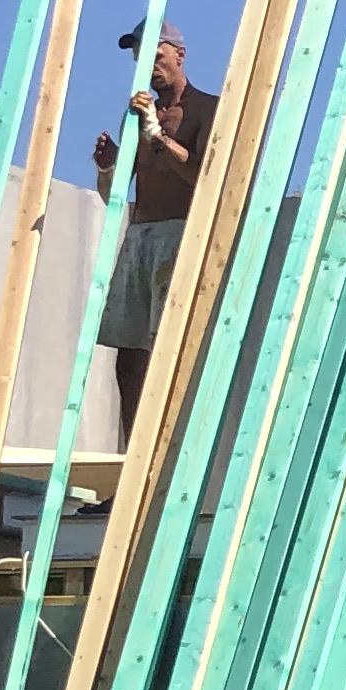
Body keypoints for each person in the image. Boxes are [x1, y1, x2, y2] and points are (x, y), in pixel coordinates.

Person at [91, 25, 217, 424]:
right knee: (129, 354)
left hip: (180, 232)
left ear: (179, 55)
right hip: (139, 236)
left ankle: (166, 439)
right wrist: (107, 166)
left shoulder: (206, 109)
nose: (149, 68)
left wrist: (159, 137)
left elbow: (206, 177)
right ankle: (132, 448)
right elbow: (114, 193)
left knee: (167, 344)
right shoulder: (138, 116)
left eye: (156, 57)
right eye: (141, 60)